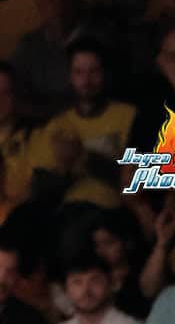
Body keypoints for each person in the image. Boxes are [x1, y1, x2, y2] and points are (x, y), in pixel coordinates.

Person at [26, 38, 134, 209]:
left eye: (94, 72)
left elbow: (136, 181)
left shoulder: (128, 116)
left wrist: (83, 157)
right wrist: (64, 169)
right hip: (67, 214)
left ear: (105, 73)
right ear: (70, 76)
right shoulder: (58, 125)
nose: (86, 80)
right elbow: (38, 191)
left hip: (113, 211)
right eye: (79, 72)